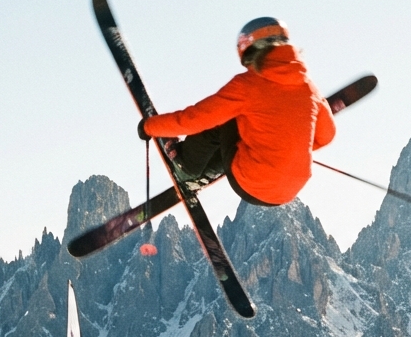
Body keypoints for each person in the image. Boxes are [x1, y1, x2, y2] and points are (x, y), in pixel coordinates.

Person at [138, 17, 335, 207]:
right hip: (289, 192)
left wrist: (150, 127)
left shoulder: (248, 85)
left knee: (227, 117)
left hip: (250, 183)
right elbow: (327, 135)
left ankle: (186, 167)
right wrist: (286, 146)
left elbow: (197, 118)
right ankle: (208, 171)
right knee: (247, 121)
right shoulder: (309, 89)